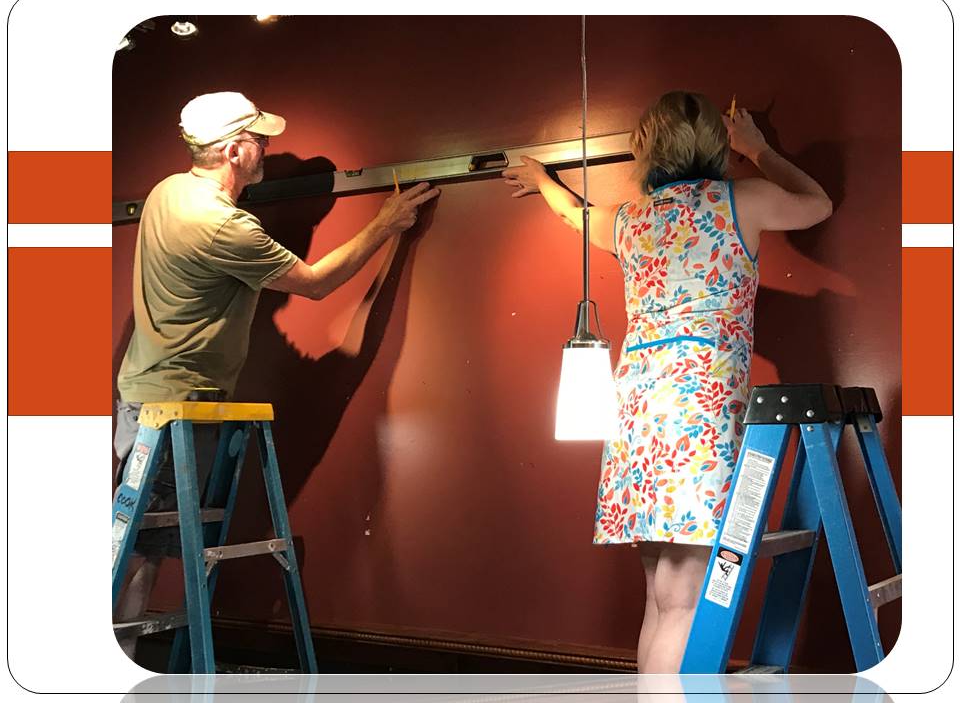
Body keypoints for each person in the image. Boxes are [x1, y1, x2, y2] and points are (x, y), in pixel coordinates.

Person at [502, 91, 832, 672]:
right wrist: (758, 150)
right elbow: (819, 205)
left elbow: (571, 212)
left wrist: (540, 178)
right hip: (701, 407)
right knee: (683, 600)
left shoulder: (627, 219)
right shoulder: (744, 199)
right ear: (715, 144)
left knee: (660, 598)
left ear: (645, 150)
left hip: (638, 407)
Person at [113, 91, 439, 659]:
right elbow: (315, 283)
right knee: (142, 553)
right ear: (233, 151)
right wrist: (386, 225)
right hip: (176, 408)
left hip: (150, 399)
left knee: (142, 547)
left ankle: (116, 662)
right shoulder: (222, 225)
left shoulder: (169, 191)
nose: (265, 147)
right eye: (258, 139)